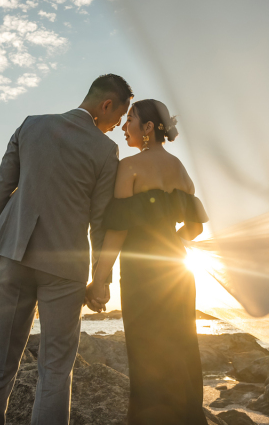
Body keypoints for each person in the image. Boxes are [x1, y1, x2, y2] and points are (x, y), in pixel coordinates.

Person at [0, 74, 133, 425]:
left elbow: (2, 187)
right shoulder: (106, 151)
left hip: (15, 255)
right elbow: (100, 222)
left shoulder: (31, 126)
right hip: (65, 269)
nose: (117, 126)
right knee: (56, 370)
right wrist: (101, 281)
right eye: (118, 117)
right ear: (106, 105)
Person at [86, 99, 209, 425]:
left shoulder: (129, 167)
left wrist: (98, 281)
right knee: (183, 351)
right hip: (177, 272)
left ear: (149, 128)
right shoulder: (179, 168)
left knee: (146, 358)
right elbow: (195, 227)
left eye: (130, 119)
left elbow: (117, 232)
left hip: (142, 276)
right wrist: (170, 242)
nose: (125, 127)